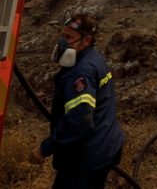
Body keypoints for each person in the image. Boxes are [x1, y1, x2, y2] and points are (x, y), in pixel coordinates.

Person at [30, 13, 125, 188]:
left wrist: (45, 148)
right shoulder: (94, 58)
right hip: (105, 145)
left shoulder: (81, 72)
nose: (62, 42)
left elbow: (80, 118)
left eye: (68, 38)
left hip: (86, 159)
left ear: (86, 41)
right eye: (63, 35)